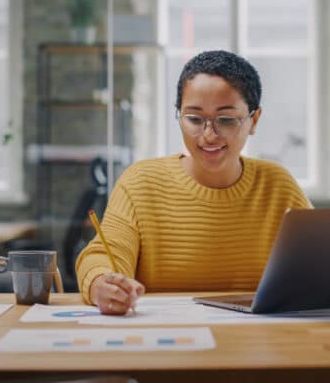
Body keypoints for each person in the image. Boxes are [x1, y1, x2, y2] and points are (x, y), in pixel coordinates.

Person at [76, 50, 312, 315]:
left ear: (253, 120)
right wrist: (102, 283)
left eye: (225, 120)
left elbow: (320, 263)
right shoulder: (140, 183)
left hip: (258, 343)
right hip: (167, 342)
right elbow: (102, 256)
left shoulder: (278, 185)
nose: (208, 135)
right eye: (194, 119)